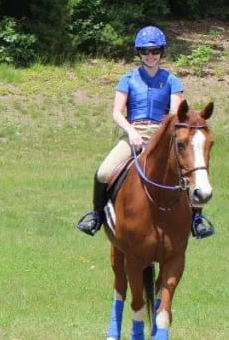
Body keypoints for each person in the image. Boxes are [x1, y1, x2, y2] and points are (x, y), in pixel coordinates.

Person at [76, 25, 215, 239]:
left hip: (162, 136)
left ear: (161, 52)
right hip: (134, 133)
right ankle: (96, 216)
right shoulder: (128, 79)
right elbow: (117, 112)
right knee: (103, 172)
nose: (150, 56)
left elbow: (175, 114)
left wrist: (161, 134)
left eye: (155, 51)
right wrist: (131, 132)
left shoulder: (171, 80)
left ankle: (196, 220)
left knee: (187, 173)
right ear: (139, 53)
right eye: (145, 51)